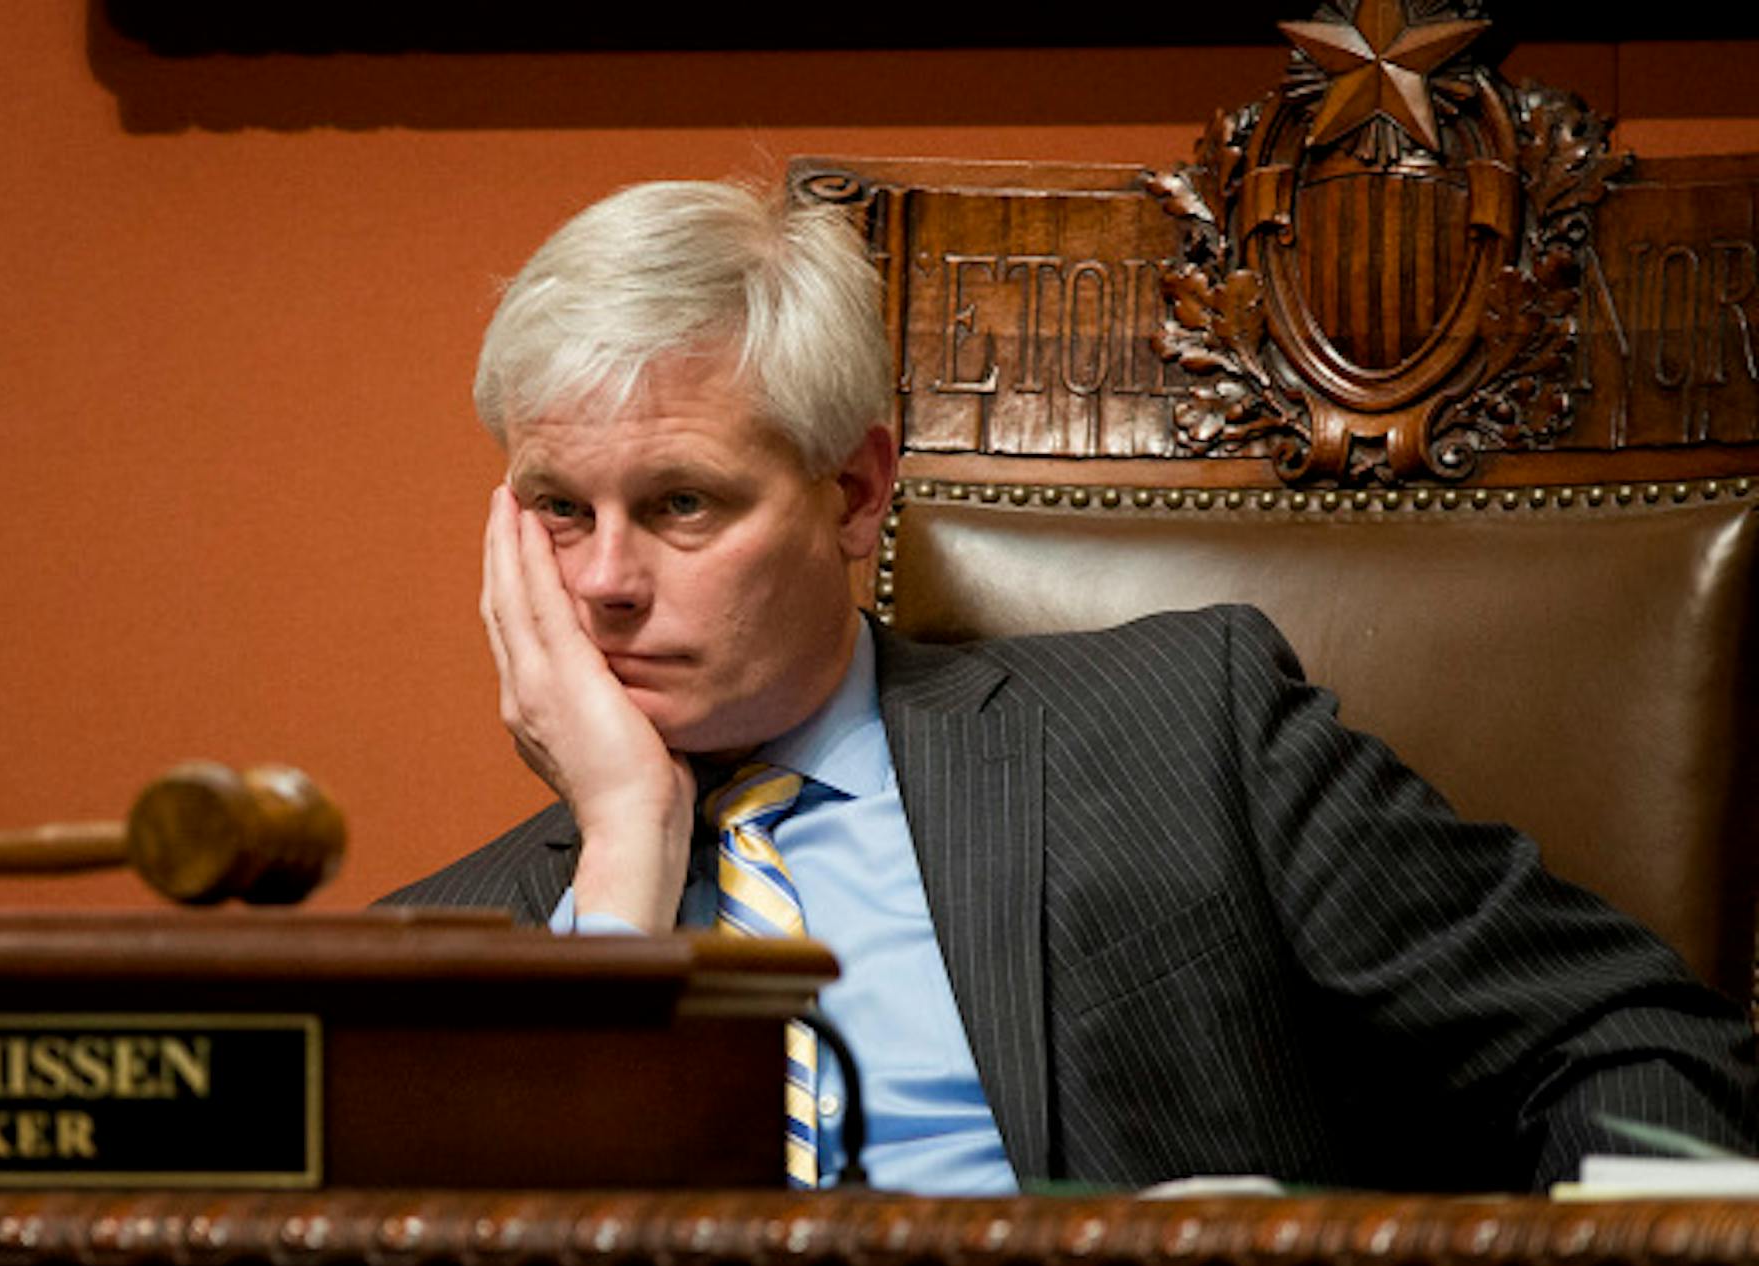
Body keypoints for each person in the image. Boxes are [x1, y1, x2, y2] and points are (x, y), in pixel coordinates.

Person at [383, 179, 1758, 1195]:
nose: (607, 582)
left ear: (855, 492)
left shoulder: (1175, 730)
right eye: (560, 510)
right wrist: (625, 847)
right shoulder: (438, 958)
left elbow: (1621, 1039)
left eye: (681, 503)